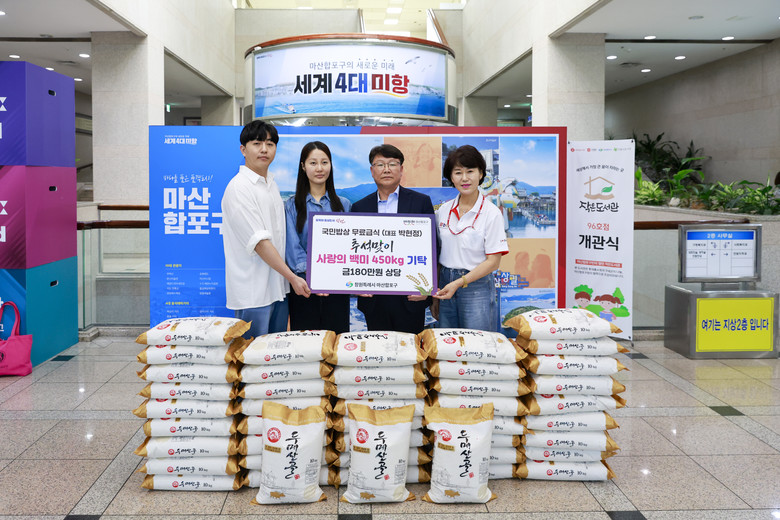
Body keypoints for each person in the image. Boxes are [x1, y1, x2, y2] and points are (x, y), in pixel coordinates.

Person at [221, 120, 310, 338]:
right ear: (243, 149)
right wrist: (292, 277)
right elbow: (259, 243)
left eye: (270, 144)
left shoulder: (271, 184)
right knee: (250, 353)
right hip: (253, 292)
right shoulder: (239, 188)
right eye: (257, 143)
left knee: (272, 352)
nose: (264, 149)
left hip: (277, 289)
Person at [351, 144, 435, 334]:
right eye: (380, 164)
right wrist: (356, 284)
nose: (386, 169)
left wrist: (426, 288)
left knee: (410, 348)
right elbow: (354, 251)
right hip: (373, 298)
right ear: (372, 171)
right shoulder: (360, 207)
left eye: (392, 164)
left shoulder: (421, 202)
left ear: (401, 169)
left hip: (411, 296)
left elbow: (432, 247)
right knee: (378, 348)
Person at [433, 144, 508, 331]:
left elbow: (493, 262)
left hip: (476, 286)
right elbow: (437, 254)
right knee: (448, 340)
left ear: (481, 174)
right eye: (458, 172)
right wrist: (434, 296)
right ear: (451, 177)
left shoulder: (491, 213)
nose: (464, 178)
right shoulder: (443, 210)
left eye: (470, 171)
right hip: (445, 282)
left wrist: (459, 282)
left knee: (477, 342)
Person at [284, 141, 352, 333]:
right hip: (304, 287)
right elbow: (292, 248)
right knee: (305, 343)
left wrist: (331, 276)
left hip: (337, 287)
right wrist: (316, 277)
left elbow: (350, 247)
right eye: (313, 163)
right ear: (303, 166)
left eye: (324, 162)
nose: (319, 168)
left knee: (336, 342)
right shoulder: (291, 206)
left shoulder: (344, 205)